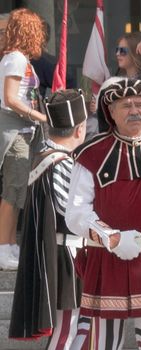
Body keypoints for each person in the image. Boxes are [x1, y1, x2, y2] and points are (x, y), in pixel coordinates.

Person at [65, 78, 141, 350]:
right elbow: (76, 212)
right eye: (126, 105)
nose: (135, 111)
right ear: (110, 111)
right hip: (107, 256)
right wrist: (111, 237)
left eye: (140, 104)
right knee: (105, 343)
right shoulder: (92, 153)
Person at [9, 89, 88, 349]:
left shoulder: (43, 157)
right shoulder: (62, 162)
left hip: (59, 251)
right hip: (66, 254)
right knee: (65, 331)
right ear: (79, 130)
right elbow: (72, 213)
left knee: (79, 327)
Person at [0, 8, 47, 270]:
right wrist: (38, 116)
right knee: (13, 191)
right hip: (16, 131)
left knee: (16, 191)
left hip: (22, 131)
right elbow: (10, 98)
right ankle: (4, 248)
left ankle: (8, 244)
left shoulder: (16, 59)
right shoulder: (16, 59)